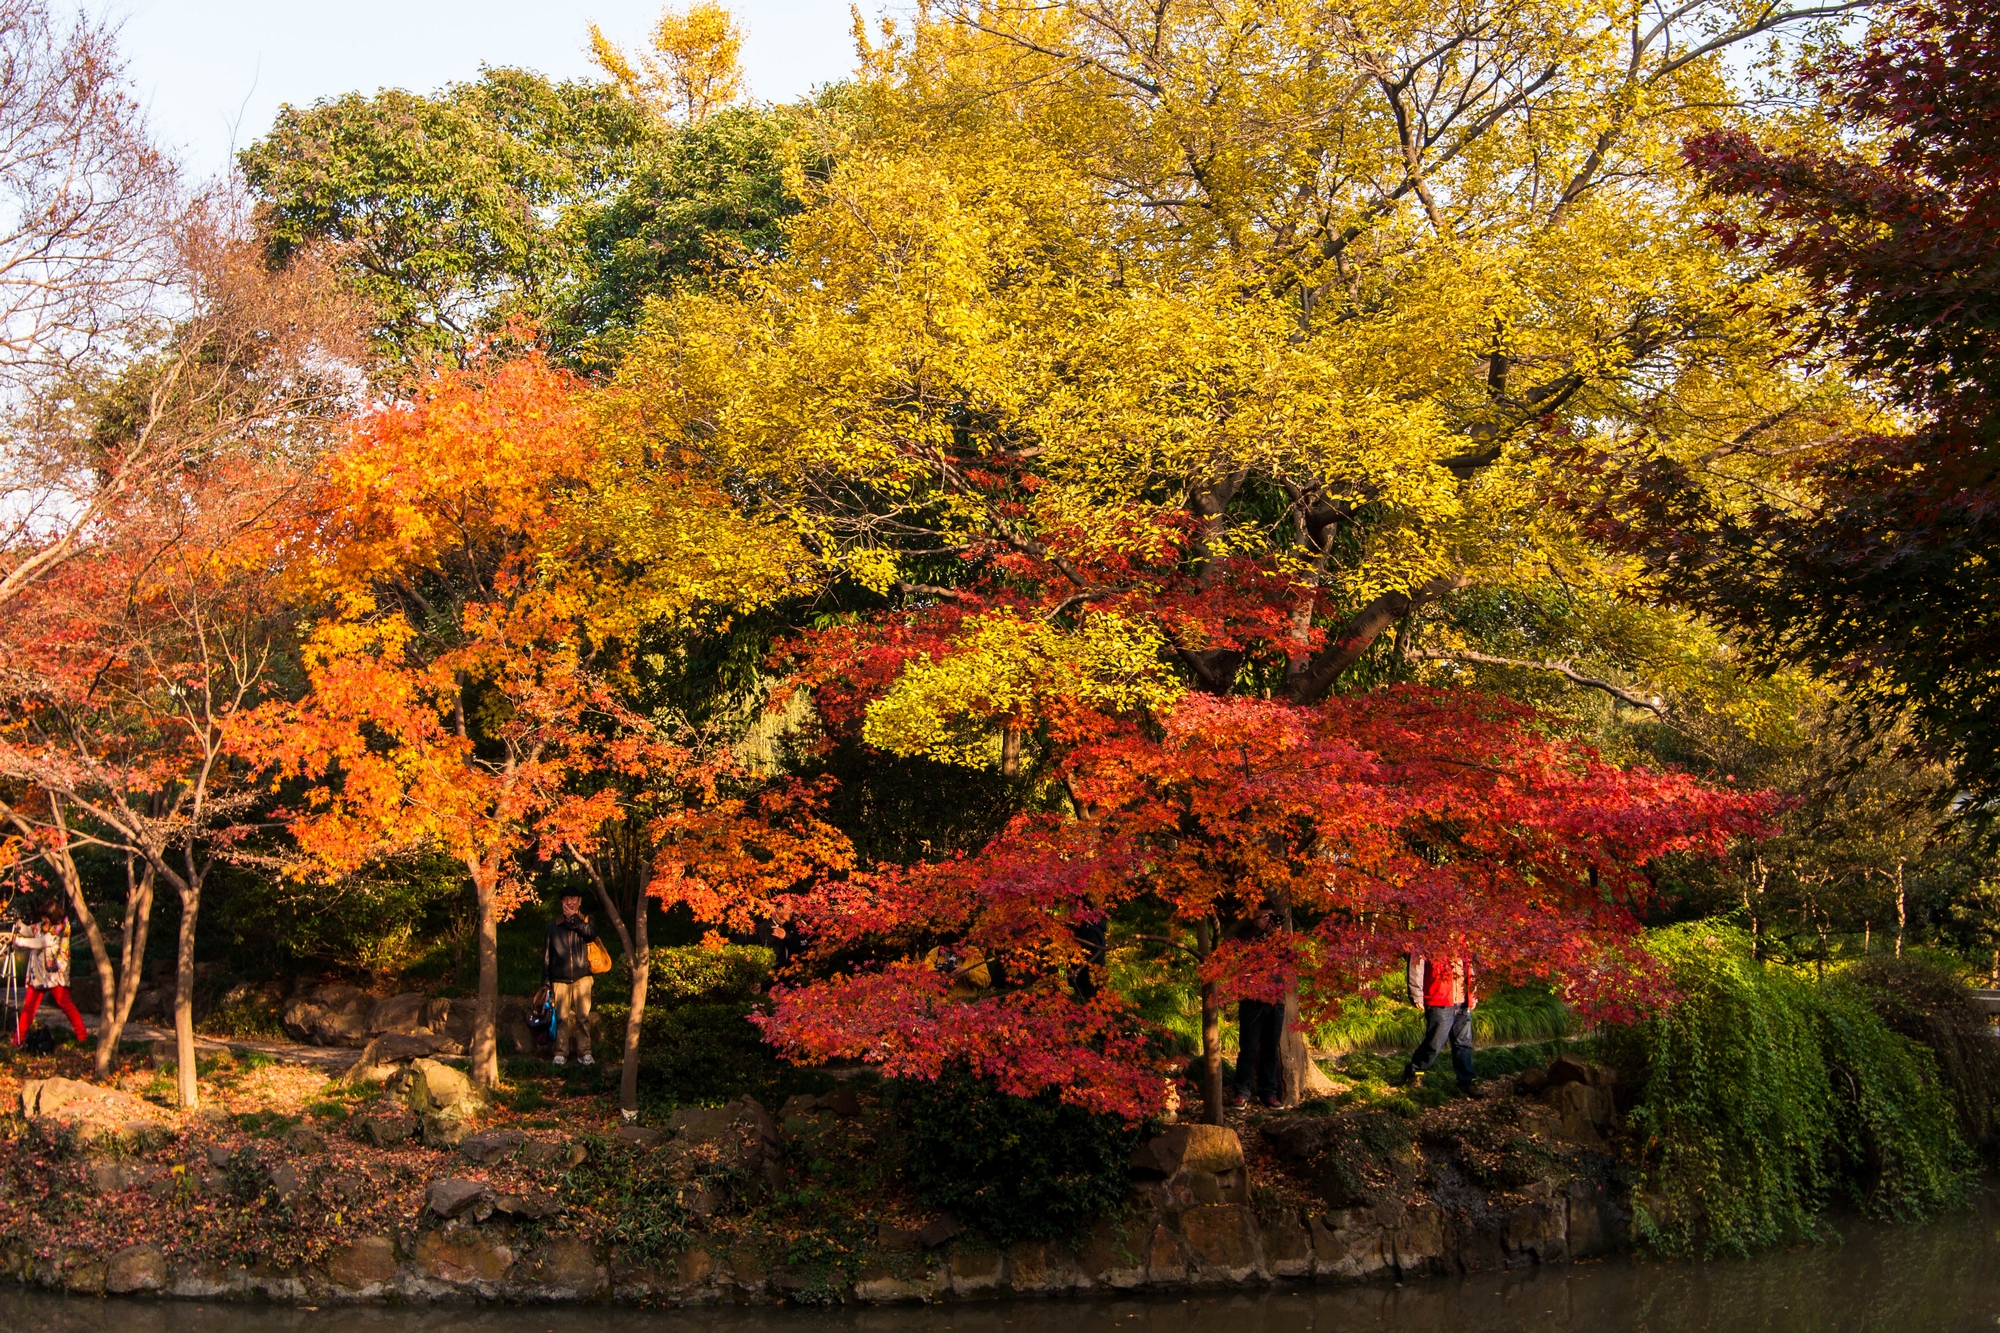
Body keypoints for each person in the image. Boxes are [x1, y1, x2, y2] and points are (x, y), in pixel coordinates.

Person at [13, 896, 88, 1047]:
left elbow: (41, 942)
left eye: (45, 917)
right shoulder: (43, 926)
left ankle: (83, 1037)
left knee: (65, 1004)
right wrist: (19, 925)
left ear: (52, 915)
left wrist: (19, 941)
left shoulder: (60, 928)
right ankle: (18, 1040)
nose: (43, 920)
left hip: (55, 975)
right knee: (28, 1007)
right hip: (39, 975)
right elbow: (30, 930)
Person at [1399, 953, 1477, 1095]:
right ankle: (1415, 1071)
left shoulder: (1466, 937)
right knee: (1435, 1043)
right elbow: (1416, 966)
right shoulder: (1429, 936)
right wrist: (1417, 994)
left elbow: (1472, 968)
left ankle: (1466, 1082)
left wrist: (1473, 995)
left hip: (1463, 1000)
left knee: (1464, 1043)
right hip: (1439, 998)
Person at [1230, 909, 1284, 1108]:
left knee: (1270, 1050)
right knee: (1248, 1049)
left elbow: (1290, 959)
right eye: (1266, 917)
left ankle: (1269, 1093)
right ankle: (1242, 1092)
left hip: (1276, 1001)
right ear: (1255, 919)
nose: (1270, 920)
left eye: (1273, 916)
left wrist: (1276, 934)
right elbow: (1240, 956)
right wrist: (1260, 936)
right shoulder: (1245, 936)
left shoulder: (1279, 938)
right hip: (1251, 1000)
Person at [542, 890, 600, 1067]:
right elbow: (547, 956)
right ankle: (560, 1053)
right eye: (566, 899)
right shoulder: (553, 927)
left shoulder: (587, 921)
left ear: (579, 901)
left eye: (573, 899)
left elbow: (591, 934)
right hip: (559, 979)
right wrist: (546, 982)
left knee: (583, 1017)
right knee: (561, 1018)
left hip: (583, 977)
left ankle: (585, 1053)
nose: (569, 902)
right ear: (561, 902)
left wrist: (575, 919)